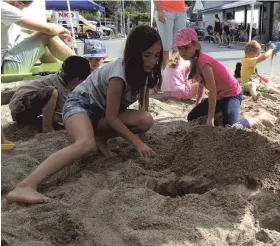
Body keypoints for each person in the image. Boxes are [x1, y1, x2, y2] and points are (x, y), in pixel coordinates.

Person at [5, 25, 163, 204]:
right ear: (134, 53)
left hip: (100, 113)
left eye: (156, 56)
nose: (152, 61)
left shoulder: (145, 72)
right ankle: (25, 186)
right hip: (79, 105)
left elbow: (143, 105)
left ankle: (99, 136)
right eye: (147, 55)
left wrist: (143, 140)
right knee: (85, 144)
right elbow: (112, 118)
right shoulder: (119, 75)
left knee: (145, 119)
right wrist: (137, 143)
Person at [9, 56, 91, 132]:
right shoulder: (59, 87)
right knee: (51, 92)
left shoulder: (61, 79)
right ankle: (47, 128)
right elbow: (62, 116)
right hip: (20, 109)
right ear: (75, 80)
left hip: (24, 105)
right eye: (82, 80)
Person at [1, 0, 75, 74]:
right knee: (47, 36)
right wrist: (63, 31)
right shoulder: (5, 8)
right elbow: (49, 30)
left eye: (28, 2)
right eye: (23, 1)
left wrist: (57, 32)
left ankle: (55, 75)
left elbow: (31, 31)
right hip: (5, 67)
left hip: (7, 64)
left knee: (41, 41)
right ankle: (81, 66)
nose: (19, 3)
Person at [154, 0, 187, 69]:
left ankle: (174, 72)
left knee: (178, 45)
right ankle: (165, 74)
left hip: (181, 11)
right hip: (165, 10)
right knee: (165, 46)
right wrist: (159, 10)